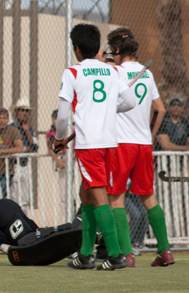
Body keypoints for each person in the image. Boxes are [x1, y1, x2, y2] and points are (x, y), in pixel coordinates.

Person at [53, 23, 136, 271]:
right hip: (110, 143)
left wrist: (58, 138)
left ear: (77, 49)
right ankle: (86, 254)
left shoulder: (72, 73)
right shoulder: (112, 72)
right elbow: (129, 101)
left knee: (99, 197)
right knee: (86, 194)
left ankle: (115, 255)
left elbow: (63, 115)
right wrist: (109, 108)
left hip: (89, 145)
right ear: (98, 47)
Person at [106, 27, 174, 267]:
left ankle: (128, 254)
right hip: (144, 145)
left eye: (110, 51)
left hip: (122, 144)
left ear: (116, 50)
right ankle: (165, 251)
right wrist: (150, 134)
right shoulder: (147, 74)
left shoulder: (115, 72)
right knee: (148, 197)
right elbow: (161, 109)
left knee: (115, 198)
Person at [10, 98, 38, 214]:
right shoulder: (11, 127)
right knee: (14, 196)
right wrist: (25, 148)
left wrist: (27, 131)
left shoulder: (29, 128)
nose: (24, 113)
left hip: (24, 165)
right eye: (21, 110)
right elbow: (11, 146)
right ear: (16, 112)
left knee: (25, 197)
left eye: (26, 111)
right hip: (13, 165)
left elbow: (35, 146)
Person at [46, 109, 69, 217]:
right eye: (55, 119)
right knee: (63, 193)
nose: (56, 121)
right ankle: (65, 218)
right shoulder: (50, 133)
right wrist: (57, 160)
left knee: (72, 192)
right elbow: (50, 148)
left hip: (70, 159)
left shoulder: (70, 129)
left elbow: (76, 146)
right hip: (60, 160)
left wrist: (69, 158)